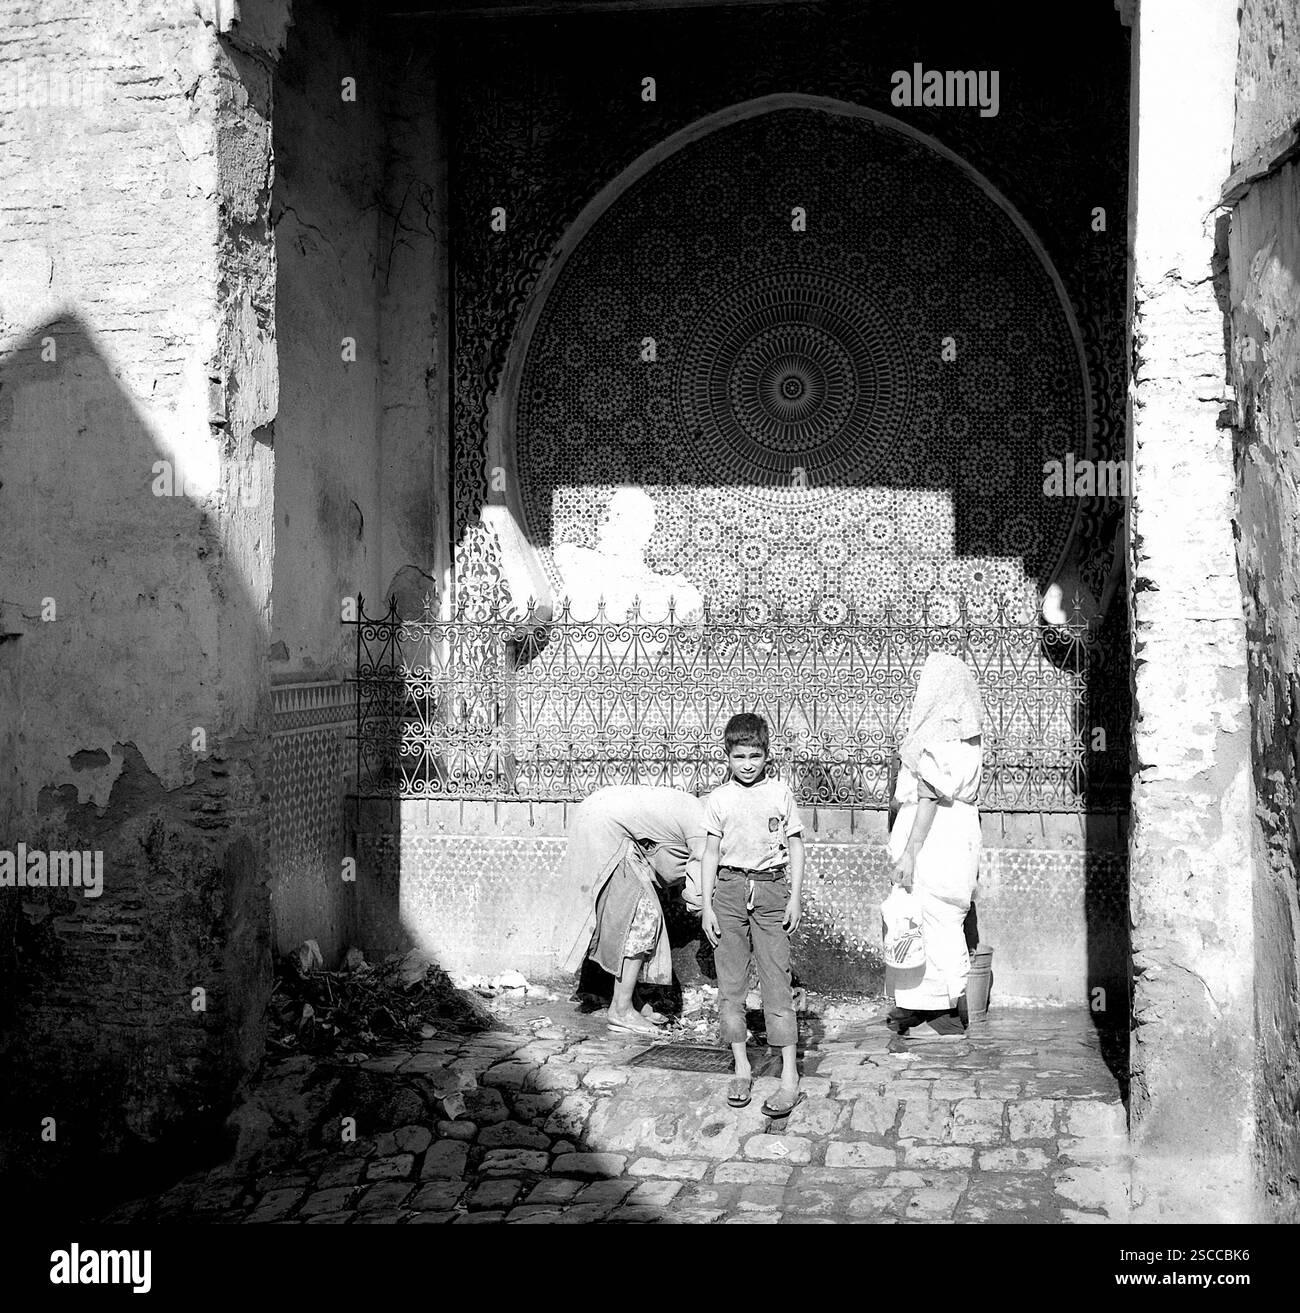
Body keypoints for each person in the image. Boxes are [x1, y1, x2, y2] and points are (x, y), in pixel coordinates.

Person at [701, 713, 806, 1117]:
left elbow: (795, 847)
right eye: (739, 756)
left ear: (767, 755)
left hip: (771, 890)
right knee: (731, 986)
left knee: (776, 982)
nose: (747, 763)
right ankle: (741, 1067)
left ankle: (789, 1077)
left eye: (755, 755)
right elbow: (710, 852)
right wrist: (707, 904)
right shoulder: (719, 799)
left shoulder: (779, 793)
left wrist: (794, 897)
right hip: (728, 891)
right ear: (727, 756)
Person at [886, 651, 985, 1039]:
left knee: (929, 917)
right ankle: (931, 1008)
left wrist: (910, 851)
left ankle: (944, 1015)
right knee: (940, 918)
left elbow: (927, 797)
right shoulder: (967, 738)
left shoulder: (942, 737)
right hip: (956, 834)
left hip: (934, 839)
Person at [560, 784, 706, 1036]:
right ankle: (621, 1010)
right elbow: (696, 886)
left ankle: (631, 1002)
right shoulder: (704, 825)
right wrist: (708, 910)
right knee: (641, 917)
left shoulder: (694, 809)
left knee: (630, 915)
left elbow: (669, 864)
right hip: (603, 828)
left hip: (597, 815)